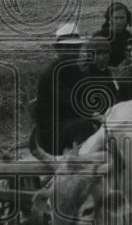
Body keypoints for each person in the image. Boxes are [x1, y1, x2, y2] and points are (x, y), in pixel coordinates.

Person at [32, 24, 90, 156]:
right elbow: (68, 101)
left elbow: (84, 96)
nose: (74, 52)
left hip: (70, 123)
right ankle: (79, 164)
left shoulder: (75, 70)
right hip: (53, 131)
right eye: (69, 48)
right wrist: (92, 113)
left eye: (77, 48)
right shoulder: (52, 74)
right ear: (58, 49)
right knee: (84, 125)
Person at [92, 1, 132, 68]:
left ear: (126, 19)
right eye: (116, 18)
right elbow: (93, 63)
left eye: (122, 18)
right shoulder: (100, 37)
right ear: (109, 19)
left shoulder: (128, 36)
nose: (119, 21)